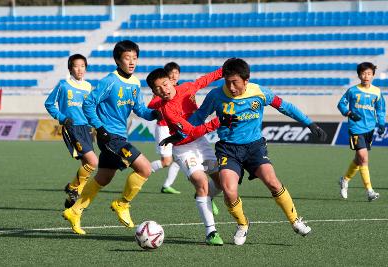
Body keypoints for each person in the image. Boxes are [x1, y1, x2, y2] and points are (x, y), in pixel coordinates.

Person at [165, 58, 328, 245]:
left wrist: (309, 123)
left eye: (235, 82)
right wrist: (179, 134)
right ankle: (243, 224)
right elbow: (199, 117)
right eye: (227, 82)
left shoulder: (259, 93)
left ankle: (295, 220)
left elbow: (285, 107)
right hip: (228, 149)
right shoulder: (216, 96)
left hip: (254, 147)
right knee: (229, 190)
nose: (231, 87)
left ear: (246, 80)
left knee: (272, 182)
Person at [62, 40, 160, 235]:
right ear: (117, 60)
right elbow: (89, 103)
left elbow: (139, 109)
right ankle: (122, 204)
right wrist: (100, 128)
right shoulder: (110, 81)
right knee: (145, 169)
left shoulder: (135, 83)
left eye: (135, 58)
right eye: (127, 58)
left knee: (104, 177)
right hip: (110, 137)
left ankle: (75, 210)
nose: (132, 62)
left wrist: (154, 114)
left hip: (119, 135)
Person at [146, 67, 236, 246]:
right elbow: (190, 131)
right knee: (201, 182)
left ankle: (204, 198)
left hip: (201, 144)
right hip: (183, 148)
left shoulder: (187, 87)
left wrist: (224, 70)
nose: (163, 90)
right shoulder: (167, 111)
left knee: (221, 183)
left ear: (171, 81)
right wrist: (217, 122)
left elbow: (203, 81)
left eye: (164, 84)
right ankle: (211, 232)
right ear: (154, 92)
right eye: (157, 89)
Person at [44, 54, 98, 208]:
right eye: (76, 66)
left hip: (86, 128)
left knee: (86, 165)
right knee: (93, 162)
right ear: (70, 68)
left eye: (83, 66)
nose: (80, 69)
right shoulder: (63, 85)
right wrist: (62, 117)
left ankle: (71, 200)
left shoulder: (88, 86)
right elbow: (49, 104)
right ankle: (73, 188)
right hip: (72, 128)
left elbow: (90, 108)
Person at [337, 62, 386, 201]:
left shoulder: (376, 91)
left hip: (369, 128)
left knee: (359, 159)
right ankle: (370, 191)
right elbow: (341, 104)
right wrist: (349, 113)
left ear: (373, 75)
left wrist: (381, 123)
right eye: (363, 73)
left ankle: (345, 180)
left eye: (369, 73)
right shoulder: (352, 90)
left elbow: (381, 109)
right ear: (359, 75)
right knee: (363, 158)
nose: (366, 76)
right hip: (356, 128)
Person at [148, 62, 182, 194]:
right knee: (166, 161)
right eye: (171, 73)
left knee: (179, 159)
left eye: (177, 72)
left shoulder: (179, 89)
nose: (174, 75)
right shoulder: (161, 90)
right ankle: (142, 171)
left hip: (177, 129)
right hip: (164, 128)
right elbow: (151, 105)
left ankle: (167, 185)